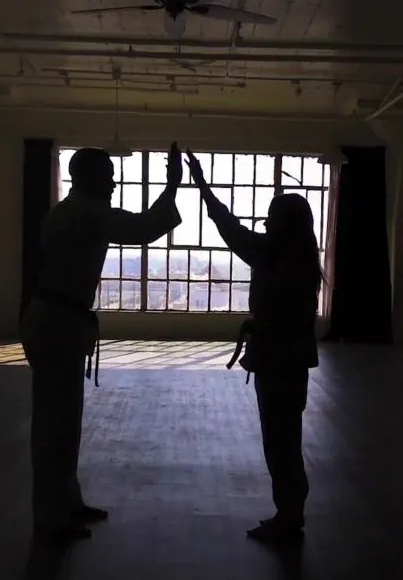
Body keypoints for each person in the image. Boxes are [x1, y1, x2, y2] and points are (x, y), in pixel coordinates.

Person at [21, 143, 183, 542]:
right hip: (59, 322)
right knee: (55, 424)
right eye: (108, 175)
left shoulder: (71, 210)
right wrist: (173, 185)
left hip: (57, 318)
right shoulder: (85, 213)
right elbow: (143, 229)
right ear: (89, 177)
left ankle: (64, 504)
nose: (113, 183)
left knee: (62, 420)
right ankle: (51, 516)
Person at [186, 150, 321, 543]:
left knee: (279, 441)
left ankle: (289, 515)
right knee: (285, 439)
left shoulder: (272, 256)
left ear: (284, 224)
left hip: (277, 361)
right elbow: (231, 226)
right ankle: (290, 513)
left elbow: (228, 226)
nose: (265, 222)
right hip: (289, 363)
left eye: (272, 216)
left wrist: (202, 185)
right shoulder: (299, 260)